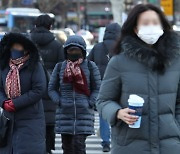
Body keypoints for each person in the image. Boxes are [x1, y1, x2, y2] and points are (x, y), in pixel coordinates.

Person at [97, 4, 180, 154]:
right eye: (145, 23)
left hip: (169, 146)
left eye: (155, 22)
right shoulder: (119, 62)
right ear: (135, 28)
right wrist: (117, 112)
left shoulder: (175, 61)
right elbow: (103, 101)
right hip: (129, 146)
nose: (151, 27)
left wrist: (176, 129)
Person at [48, 35, 101, 154]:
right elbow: (51, 89)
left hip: (84, 113)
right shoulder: (60, 67)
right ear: (66, 51)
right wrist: (59, 101)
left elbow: (97, 88)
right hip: (65, 113)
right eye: (71, 50)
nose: (73, 52)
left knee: (79, 146)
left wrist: (90, 102)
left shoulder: (90, 66)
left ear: (82, 51)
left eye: (76, 50)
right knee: (67, 148)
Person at [0, 33, 46, 154]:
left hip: (30, 119)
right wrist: (4, 102)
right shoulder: (4, 66)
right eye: (12, 47)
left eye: (18, 47)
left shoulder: (35, 66)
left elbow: (39, 89)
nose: (14, 50)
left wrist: (16, 103)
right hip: (8, 119)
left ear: (26, 49)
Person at [31, 14, 64, 154]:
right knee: (49, 123)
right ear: (50, 26)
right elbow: (63, 70)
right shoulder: (57, 45)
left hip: (29, 88)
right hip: (50, 89)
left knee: (31, 123)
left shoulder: (27, 43)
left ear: (35, 25)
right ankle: (48, 149)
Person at [88, 22, 121, 152]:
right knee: (119, 112)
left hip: (101, 86)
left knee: (103, 114)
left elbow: (88, 66)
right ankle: (117, 140)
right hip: (119, 86)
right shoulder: (122, 48)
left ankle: (106, 142)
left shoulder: (97, 48)